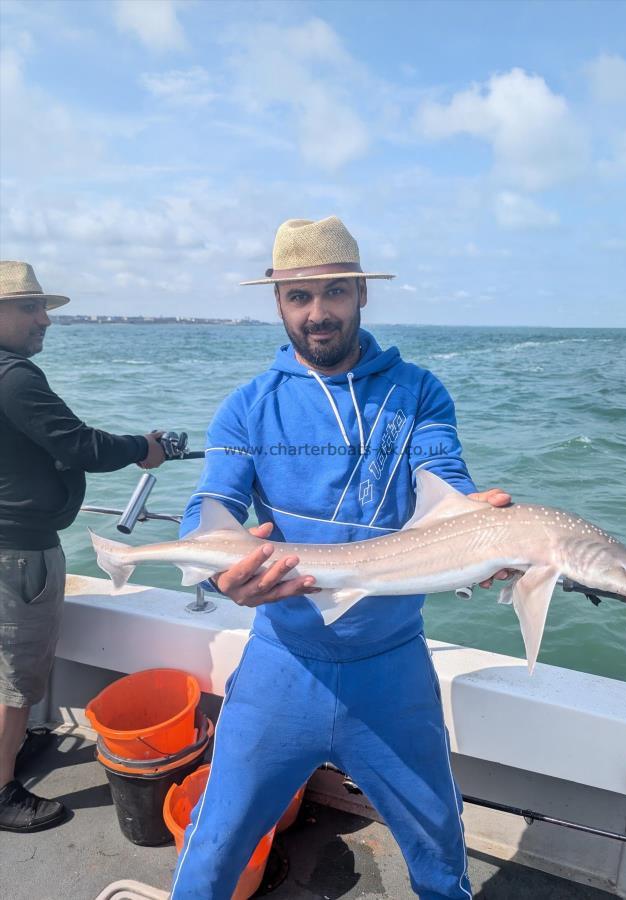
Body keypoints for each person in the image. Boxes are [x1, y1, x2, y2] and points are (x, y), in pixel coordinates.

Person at [171, 217, 511, 899]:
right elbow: (208, 507)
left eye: (333, 292)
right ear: (276, 303)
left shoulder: (418, 393)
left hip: (391, 666)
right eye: (298, 297)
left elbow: (442, 479)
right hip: (280, 661)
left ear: (361, 293)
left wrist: (483, 533)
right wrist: (221, 570)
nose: (317, 313)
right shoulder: (246, 407)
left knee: (441, 856)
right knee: (211, 852)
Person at [0, 261, 166, 833]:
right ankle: (1, 791)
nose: (44, 319)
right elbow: (79, 443)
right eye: (29, 308)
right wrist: (143, 446)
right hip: (17, 554)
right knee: (15, 678)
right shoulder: (14, 377)